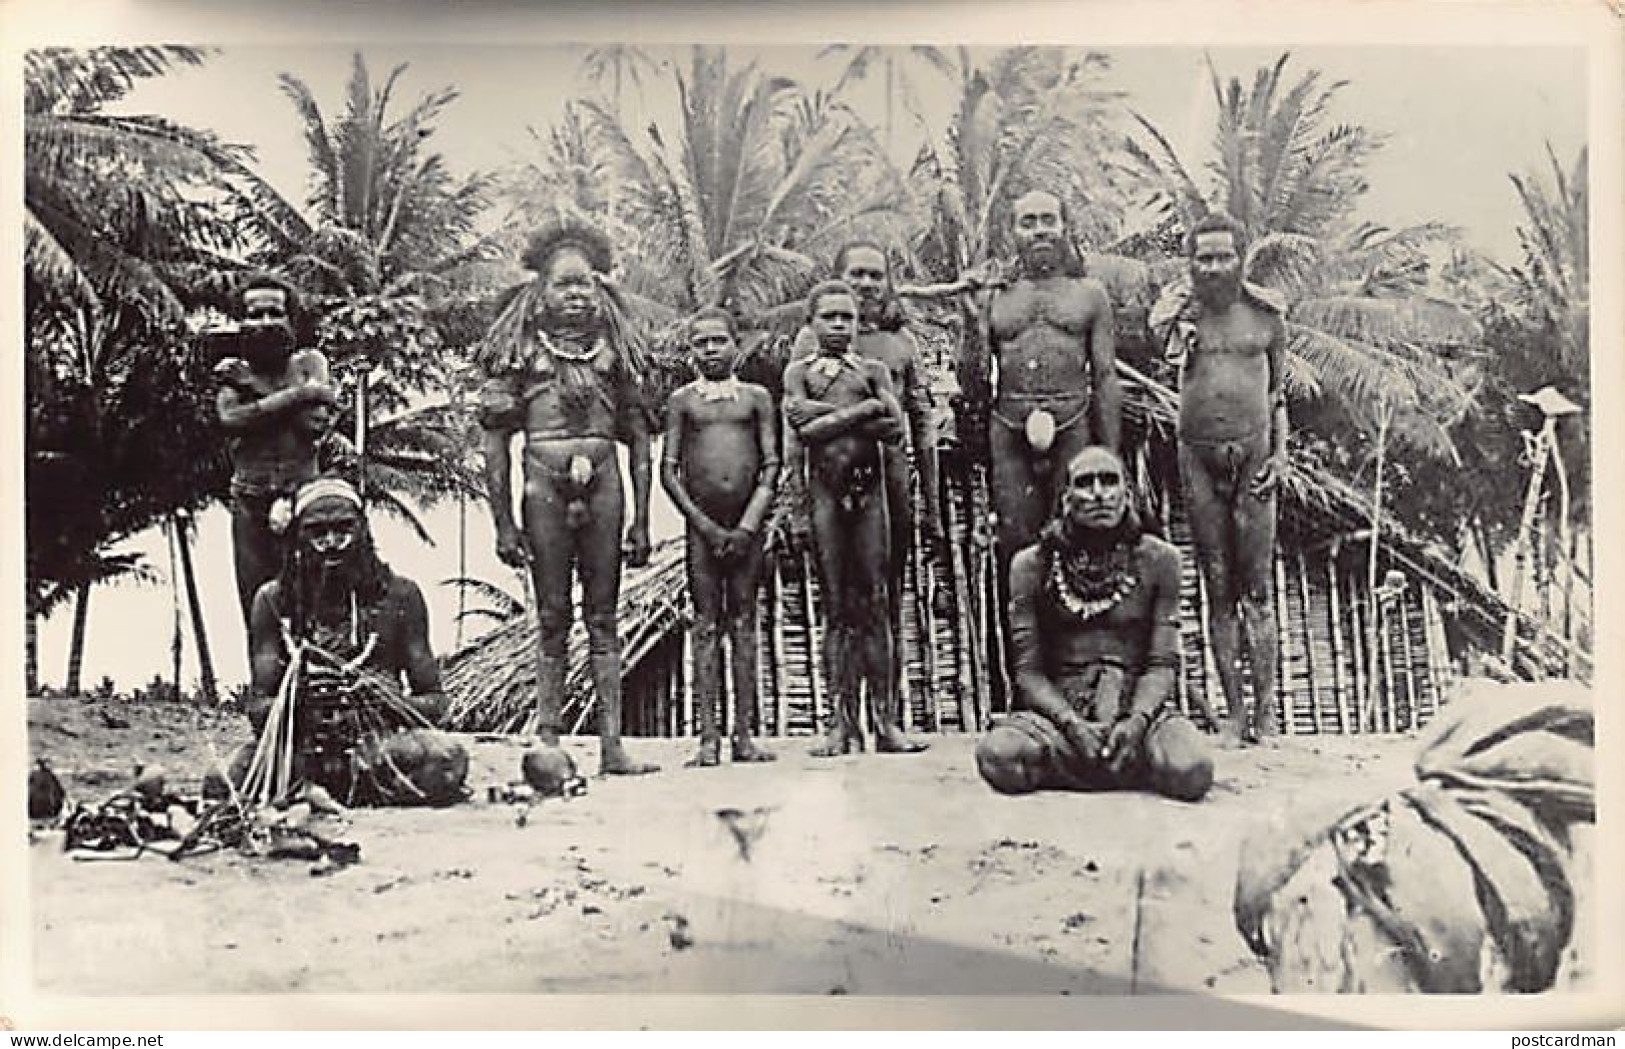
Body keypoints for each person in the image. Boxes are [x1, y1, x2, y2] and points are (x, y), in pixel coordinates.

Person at [478, 219, 658, 776]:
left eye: (584, 283)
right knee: (552, 615)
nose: (575, 294)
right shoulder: (518, 353)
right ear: (541, 292)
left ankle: (611, 746)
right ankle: (550, 739)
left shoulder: (618, 355)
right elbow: (495, 446)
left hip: (606, 485)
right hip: (542, 488)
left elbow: (641, 444)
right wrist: (503, 523)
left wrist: (643, 522)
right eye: (563, 284)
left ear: (600, 290)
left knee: (603, 616)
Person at [974, 446, 1212, 801]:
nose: (1099, 493)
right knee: (997, 757)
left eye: (1109, 481)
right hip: (1062, 716)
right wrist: (1071, 725)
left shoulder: (1161, 560)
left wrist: (1136, 722)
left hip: (1138, 712)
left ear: (1127, 495)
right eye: (1085, 484)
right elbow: (1028, 673)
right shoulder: (1031, 566)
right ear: (1066, 498)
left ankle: (1120, 757)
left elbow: (1162, 665)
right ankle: (1107, 766)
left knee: (1192, 770)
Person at [232, 477, 467, 807]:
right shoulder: (273, 602)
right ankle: (327, 792)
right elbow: (258, 708)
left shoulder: (401, 596)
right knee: (227, 777)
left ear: (363, 531)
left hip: (378, 750)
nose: (331, 543)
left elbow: (436, 704)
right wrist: (299, 700)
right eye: (317, 532)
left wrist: (383, 698)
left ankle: (335, 793)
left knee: (445, 757)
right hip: (301, 753)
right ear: (298, 536)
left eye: (343, 530)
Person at [791, 240, 946, 733]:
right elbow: (793, 423)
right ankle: (842, 721)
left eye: (875, 275)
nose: (865, 283)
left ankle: (887, 719)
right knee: (839, 602)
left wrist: (933, 507)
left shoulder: (900, 347)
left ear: (888, 283)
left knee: (883, 597)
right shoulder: (805, 347)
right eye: (855, 273)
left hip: (889, 480)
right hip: (830, 481)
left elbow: (917, 424)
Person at [1166, 211, 1288, 744]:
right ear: (1191, 264)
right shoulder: (1180, 316)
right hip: (1198, 458)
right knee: (1216, 589)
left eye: (1224, 256)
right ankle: (1234, 715)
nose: (1214, 267)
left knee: (1256, 589)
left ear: (1241, 260)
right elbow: (1157, 335)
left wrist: (1281, 457)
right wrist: (1177, 314)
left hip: (1256, 460)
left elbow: (1279, 396)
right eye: (1203, 258)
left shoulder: (1266, 318)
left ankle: (1266, 712)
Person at [979, 190, 1122, 573]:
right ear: (1012, 233)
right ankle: (1021, 632)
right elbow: (973, 378)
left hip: (1072, 421)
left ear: (1064, 227)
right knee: (1015, 541)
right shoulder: (993, 296)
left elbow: (1106, 376)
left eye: (1048, 220)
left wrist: (1109, 452)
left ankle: (1075, 630)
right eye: (1028, 222)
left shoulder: (1089, 294)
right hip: (1009, 426)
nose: (1040, 230)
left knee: (1077, 533)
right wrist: (969, 317)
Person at [661, 307, 780, 767]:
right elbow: (668, 470)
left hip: (746, 529)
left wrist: (750, 523)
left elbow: (771, 464)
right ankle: (708, 739)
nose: (710, 351)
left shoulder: (755, 399)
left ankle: (744, 737)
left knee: (745, 623)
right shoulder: (683, 402)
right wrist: (704, 525)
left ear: (736, 344)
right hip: (703, 531)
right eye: (700, 343)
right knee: (706, 626)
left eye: (718, 341)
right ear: (691, 351)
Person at [213, 276, 356, 629]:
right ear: (242, 321)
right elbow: (231, 418)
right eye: (255, 314)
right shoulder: (233, 370)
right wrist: (298, 395)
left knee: (320, 607)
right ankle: (267, 685)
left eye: (274, 314)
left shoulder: (309, 362)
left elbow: (315, 419)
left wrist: (253, 390)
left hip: (304, 498)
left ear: (291, 320)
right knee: (259, 612)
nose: (264, 324)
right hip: (250, 500)